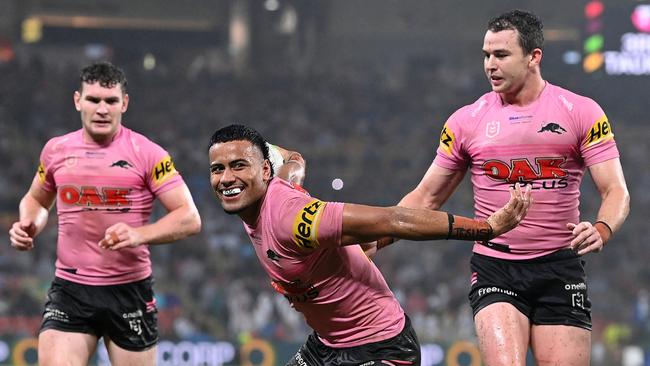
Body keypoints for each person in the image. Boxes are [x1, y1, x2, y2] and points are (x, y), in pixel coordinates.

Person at [397, 10, 630, 366]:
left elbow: (615, 191)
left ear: (533, 57)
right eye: (486, 55)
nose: (490, 64)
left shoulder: (581, 112)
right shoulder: (466, 121)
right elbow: (426, 197)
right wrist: (375, 235)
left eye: (501, 55)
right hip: (496, 267)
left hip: (560, 267)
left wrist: (602, 228)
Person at [207, 124, 532, 366]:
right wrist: (254, 148)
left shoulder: (290, 218)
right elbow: (294, 159)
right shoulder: (276, 188)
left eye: (239, 166)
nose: (226, 178)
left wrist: (486, 228)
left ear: (264, 170)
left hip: (383, 348)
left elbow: (394, 219)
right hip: (326, 347)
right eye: (218, 169)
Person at [8, 62, 202, 366]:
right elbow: (36, 199)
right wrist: (30, 223)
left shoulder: (148, 153)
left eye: (111, 101)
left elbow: (189, 217)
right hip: (70, 289)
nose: (102, 109)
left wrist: (140, 234)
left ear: (124, 103)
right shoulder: (56, 150)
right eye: (93, 100)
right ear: (77, 101)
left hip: (129, 290)